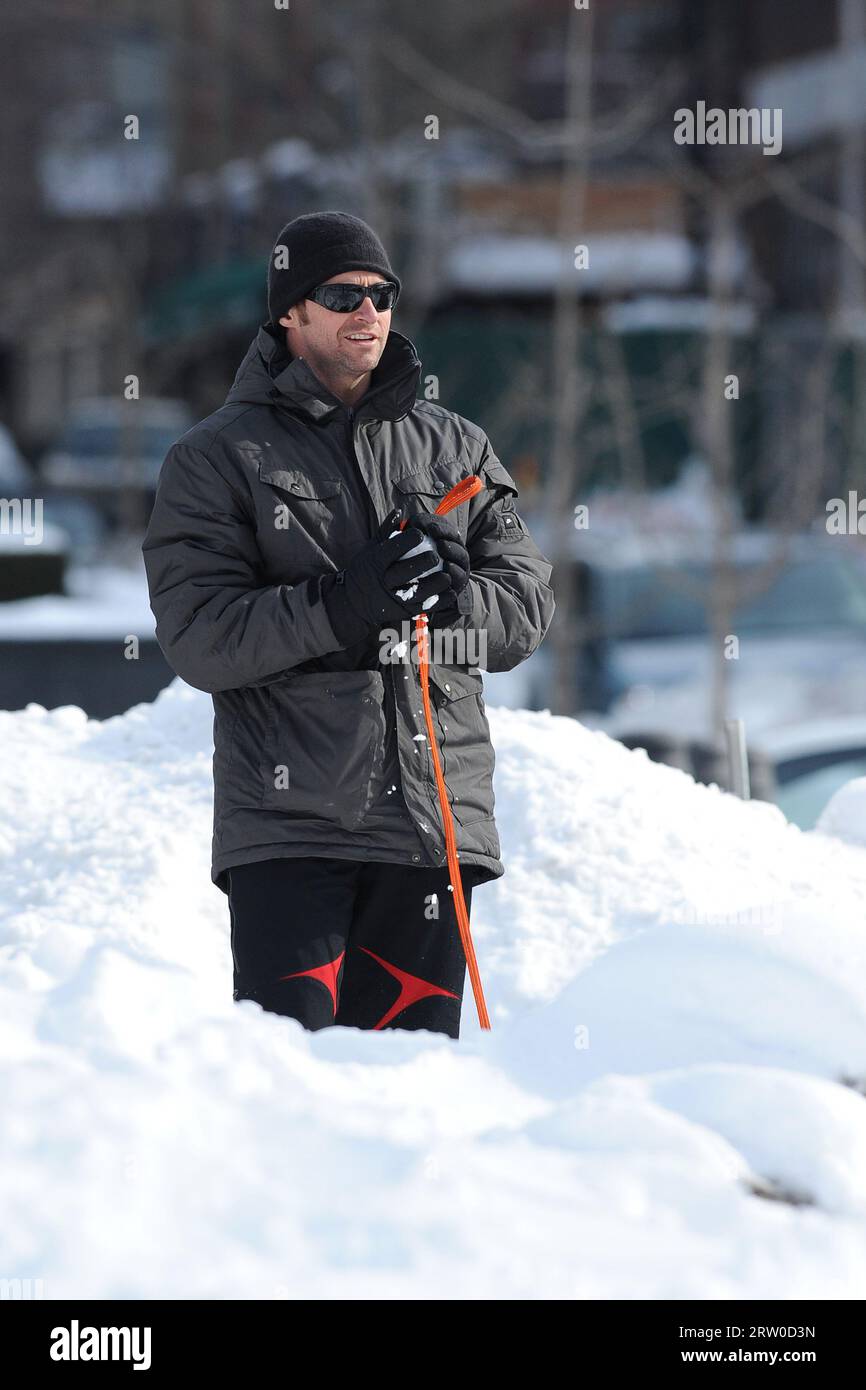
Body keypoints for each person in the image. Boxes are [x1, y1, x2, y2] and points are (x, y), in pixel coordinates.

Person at [142, 210, 554, 1038]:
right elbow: (200, 636)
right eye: (341, 294)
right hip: (291, 833)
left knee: (411, 1107)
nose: (367, 311)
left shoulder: (457, 447)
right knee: (295, 1098)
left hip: (432, 831)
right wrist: (342, 605)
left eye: (381, 293)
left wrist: (455, 598)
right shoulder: (218, 456)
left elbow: (528, 608)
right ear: (290, 313)